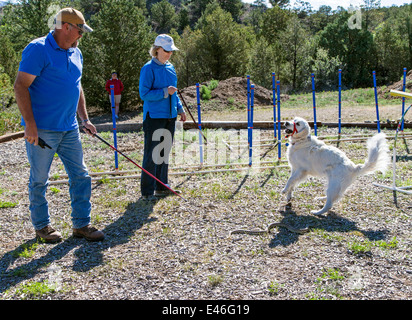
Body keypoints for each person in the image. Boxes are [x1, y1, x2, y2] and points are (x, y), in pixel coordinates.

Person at [13, 7, 104, 243]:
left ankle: (81, 224)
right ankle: (42, 226)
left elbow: (76, 87)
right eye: (80, 30)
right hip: (42, 130)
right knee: (40, 179)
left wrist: (84, 119)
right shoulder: (38, 49)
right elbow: (20, 86)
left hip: (70, 128)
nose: (81, 35)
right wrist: (30, 125)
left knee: (81, 175)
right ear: (66, 27)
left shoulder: (76, 53)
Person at [139, 34, 186, 200]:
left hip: (170, 116)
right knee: (152, 154)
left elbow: (175, 92)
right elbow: (144, 94)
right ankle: (147, 191)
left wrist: (180, 109)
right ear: (157, 50)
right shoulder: (148, 68)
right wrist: (165, 91)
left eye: (171, 51)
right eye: (166, 50)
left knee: (164, 153)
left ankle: (161, 186)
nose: (169, 54)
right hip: (154, 117)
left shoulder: (171, 68)